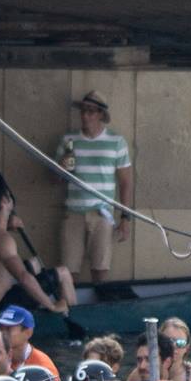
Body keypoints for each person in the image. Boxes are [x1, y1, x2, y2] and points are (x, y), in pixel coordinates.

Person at [0, 170, 74, 315]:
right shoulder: (3, 239)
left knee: (34, 264)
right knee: (63, 273)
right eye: (9, 196)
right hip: (3, 305)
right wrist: (52, 305)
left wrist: (7, 225)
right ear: (5, 201)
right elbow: (23, 278)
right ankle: (73, 316)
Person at [56, 90, 134, 282]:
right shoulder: (69, 140)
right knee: (68, 271)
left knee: (100, 270)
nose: (85, 115)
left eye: (91, 111)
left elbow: (126, 182)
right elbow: (55, 180)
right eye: (83, 111)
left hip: (102, 214)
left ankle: (98, 308)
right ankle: (70, 309)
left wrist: (125, 217)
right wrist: (62, 168)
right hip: (73, 211)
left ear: (100, 114)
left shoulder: (116, 141)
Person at [0, 305, 60, 376]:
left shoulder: (42, 366)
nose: (2, 333)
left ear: (28, 333)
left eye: (8, 329)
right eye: (0, 329)